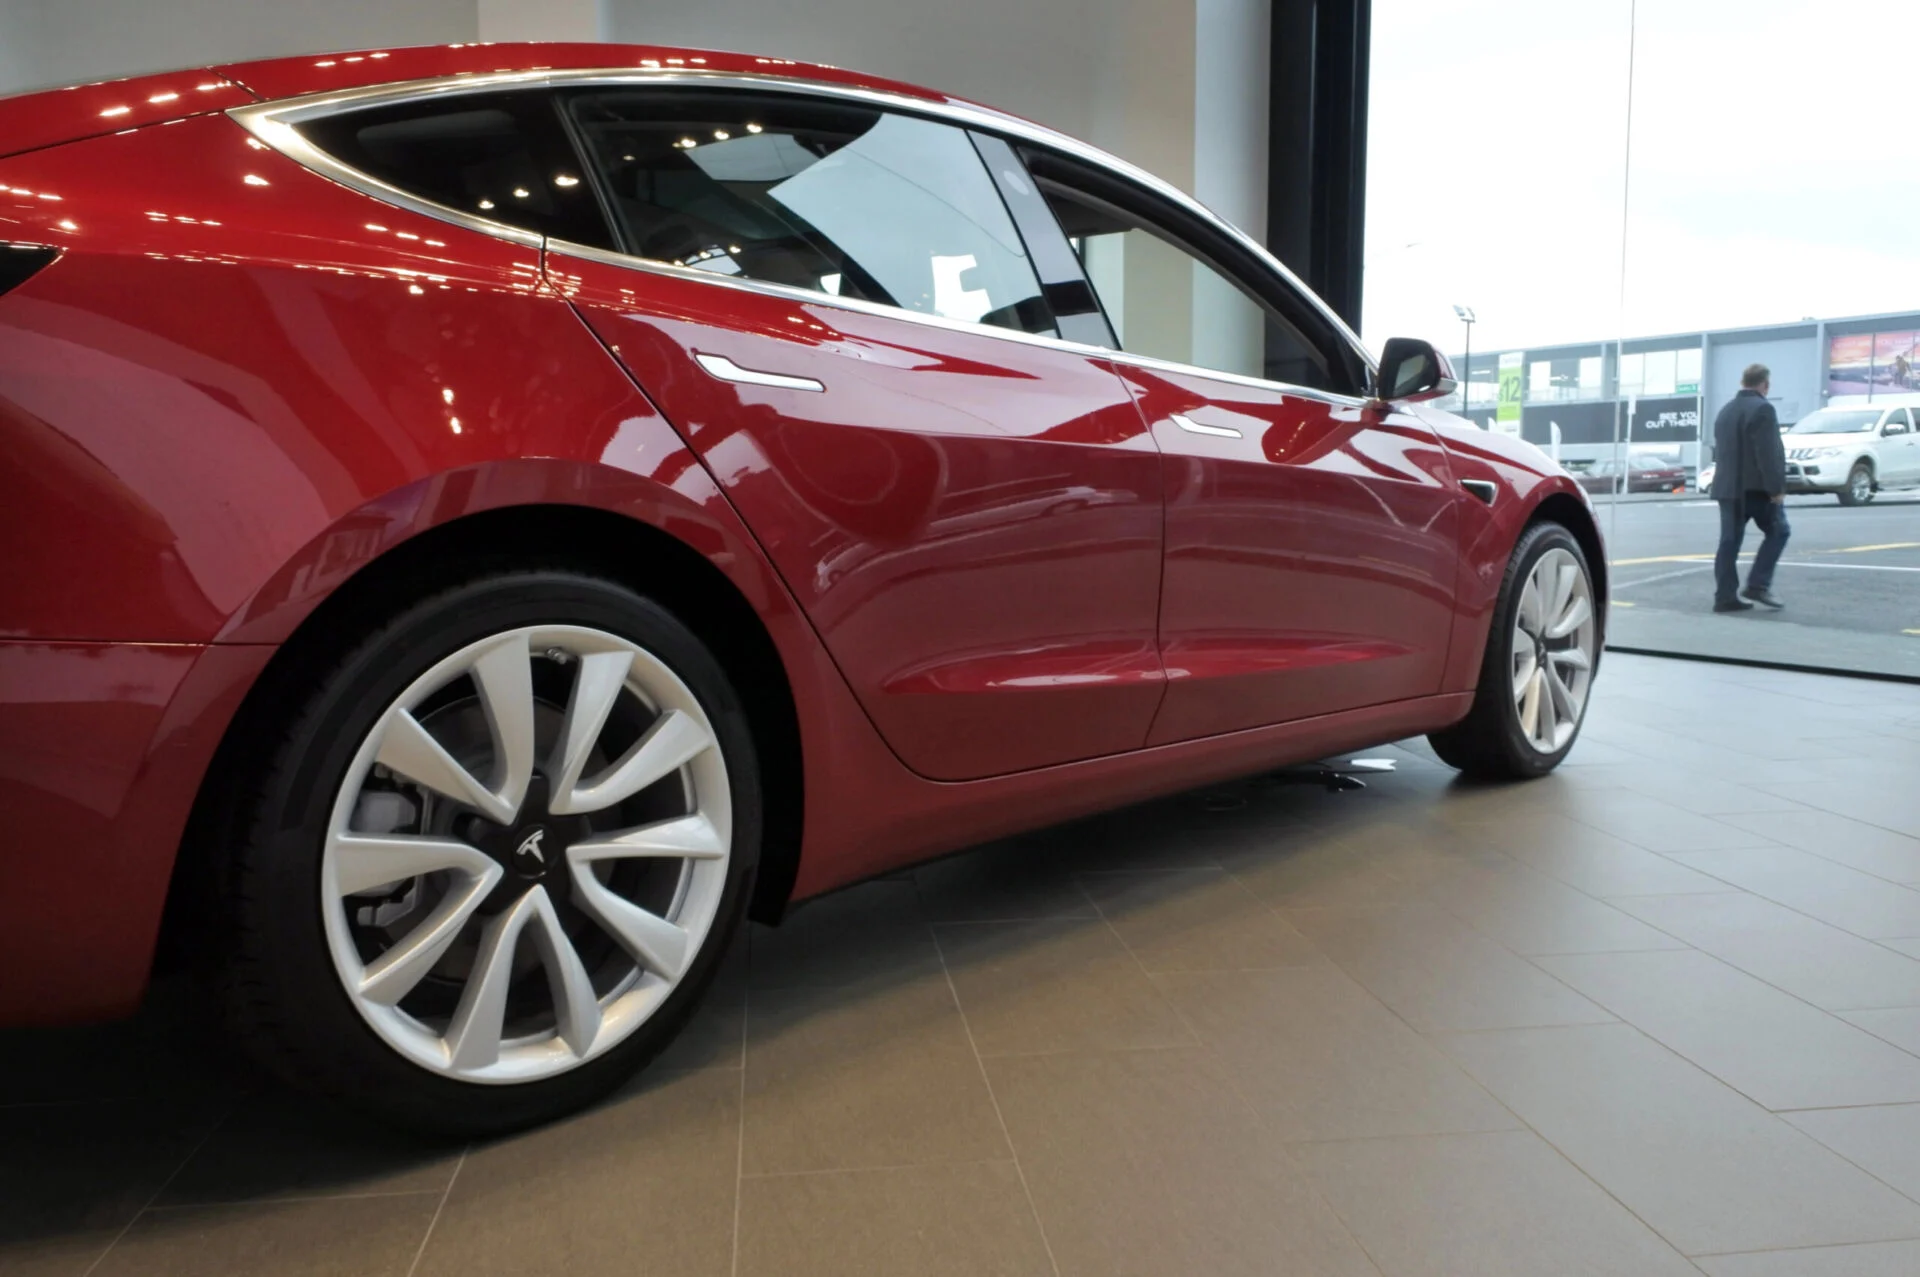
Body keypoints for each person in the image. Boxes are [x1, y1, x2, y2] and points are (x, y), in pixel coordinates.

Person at [1708, 363, 1790, 611]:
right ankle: (1758, 584)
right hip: (1754, 490)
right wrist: (1776, 489)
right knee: (1779, 531)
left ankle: (1724, 597)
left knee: (1729, 543)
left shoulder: (1725, 411)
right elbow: (1768, 453)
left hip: (1726, 489)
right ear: (1765, 385)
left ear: (1743, 382)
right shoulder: (1763, 409)